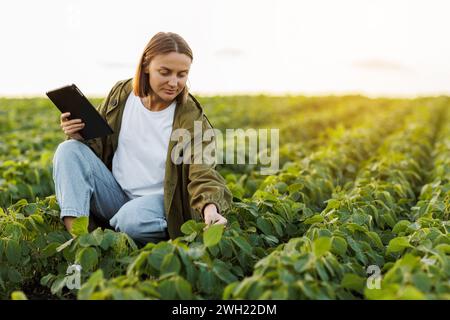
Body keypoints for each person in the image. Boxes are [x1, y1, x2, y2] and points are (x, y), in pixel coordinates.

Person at [52, 32, 232, 245]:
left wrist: (210, 208)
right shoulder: (121, 95)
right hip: (116, 195)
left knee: (132, 219)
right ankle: (80, 244)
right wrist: (78, 135)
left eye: (182, 74)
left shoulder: (191, 117)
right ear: (146, 65)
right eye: (165, 72)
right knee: (68, 150)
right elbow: (96, 146)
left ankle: (124, 238)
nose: (174, 83)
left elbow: (202, 170)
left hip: (163, 205)